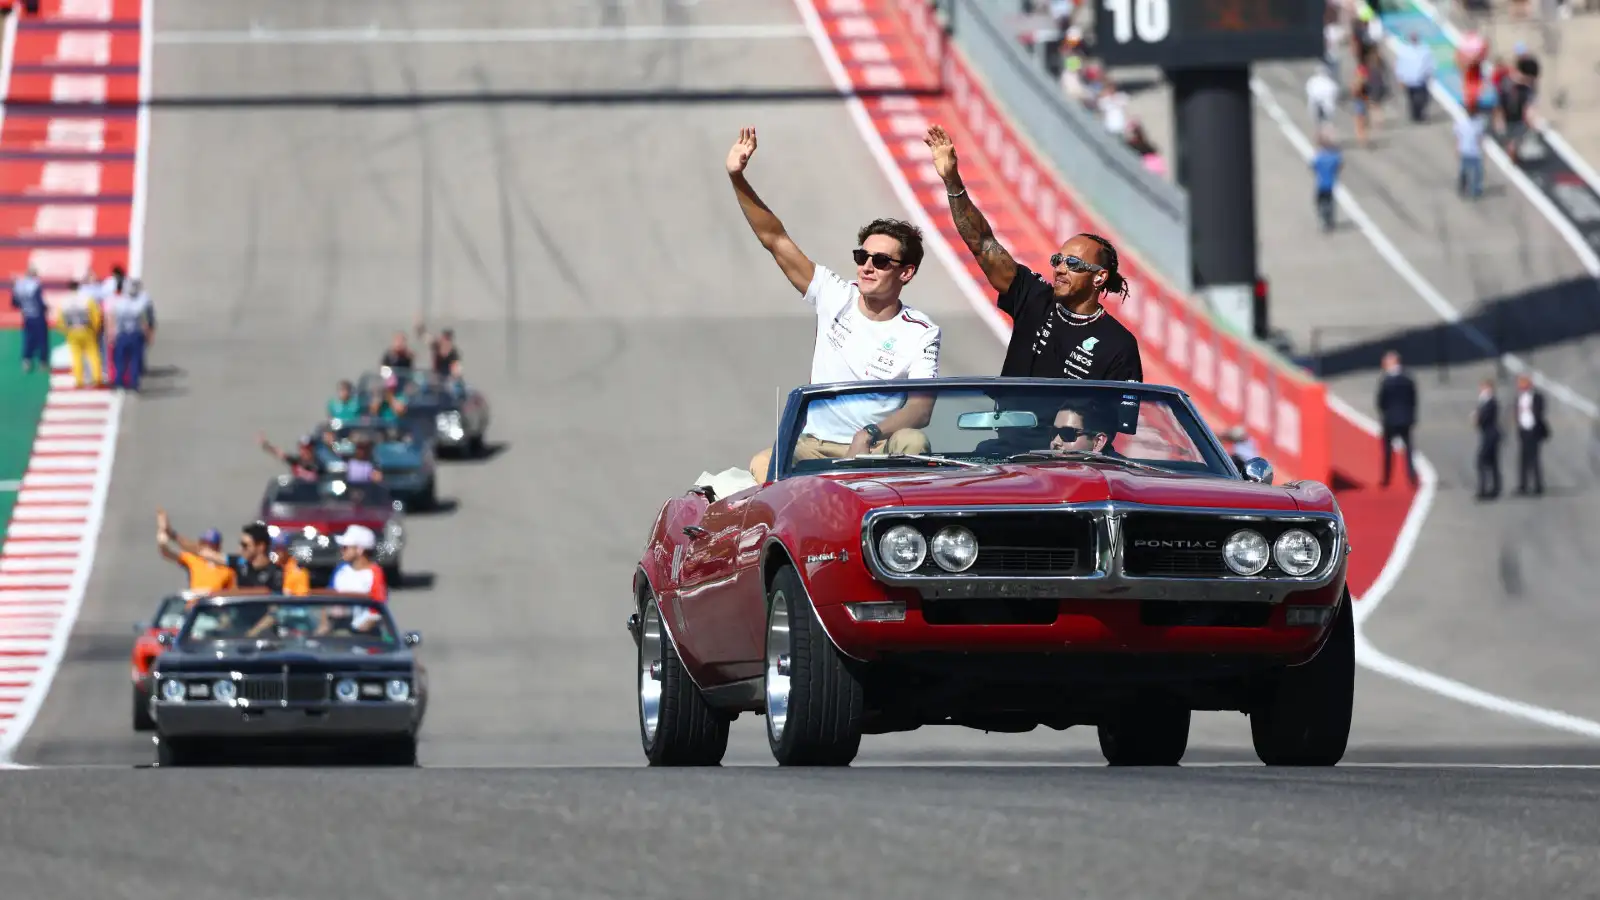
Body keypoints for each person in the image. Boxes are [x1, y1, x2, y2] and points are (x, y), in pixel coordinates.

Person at [727, 126, 942, 481]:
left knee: (913, 441)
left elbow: (921, 408)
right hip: (814, 443)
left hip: (875, 445)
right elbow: (775, 239)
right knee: (762, 465)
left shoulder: (921, 332)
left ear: (906, 273)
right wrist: (737, 178)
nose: (867, 266)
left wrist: (870, 434)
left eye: (882, 261)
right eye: (862, 256)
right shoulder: (834, 294)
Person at [924, 124, 1141, 383]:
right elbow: (982, 243)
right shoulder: (1034, 297)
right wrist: (952, 180)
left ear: (1099, 277)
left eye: (1072, 263)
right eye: (1057, 260)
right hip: (1008, 424)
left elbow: (1120, 421)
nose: (1060, 268)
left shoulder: (1119, 345)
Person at [159, 516, 284, 590]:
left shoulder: (276, 572)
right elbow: (202, 552)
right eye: (240, 544)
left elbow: (274, 609)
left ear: (260, 547)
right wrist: (172, 535)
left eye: (245, 545)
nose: (240, 549)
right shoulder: (240, 563)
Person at [154, 513, 237, 592]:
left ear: (218, 547)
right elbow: (167, 553)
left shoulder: (227, 568)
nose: (206, 547)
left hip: (214, 605)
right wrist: (162, 543)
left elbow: (232, 594)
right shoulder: (194, 559)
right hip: (194, 604)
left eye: (210, 544)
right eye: (203, 543)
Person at [1375, 350, 1419, 487]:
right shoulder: (1408, 379)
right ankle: (1411, 475)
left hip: (1390, 419)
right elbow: (1413, 399)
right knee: (1408, 449)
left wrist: (1384, 414)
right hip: (1405, 418)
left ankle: (1387, 478)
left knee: (1388, 450)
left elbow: (1381, 401)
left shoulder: (1386, 381)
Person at [104, 279, 152, 391]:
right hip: (135, 334)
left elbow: (112, 319)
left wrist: (111, 334)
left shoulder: (119, 304)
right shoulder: (139, 305)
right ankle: (134, 382)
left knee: (119, 360)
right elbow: (144, 321)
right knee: (134, 359)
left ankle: (118, 381)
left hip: (122, 334)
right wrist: (147, 334)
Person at [56, 278, 103, 388]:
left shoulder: (64, 301)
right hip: (86, 329)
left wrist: (66, 331)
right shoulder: (87, 299)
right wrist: (95, 329)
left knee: (76, 357)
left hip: (72, 331)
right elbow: (95, 315)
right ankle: (97, 378)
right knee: (93, 355)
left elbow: (60, 320)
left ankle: (79, 380)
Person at [329, 525, 389, 601]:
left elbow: (379, 603)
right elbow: (329, 599)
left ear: (359, 550)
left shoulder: (375, 573)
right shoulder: (340, 570)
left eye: (345, 547)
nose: (342, 550)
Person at [1514, 374, 1548, 495]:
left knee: (1534, 459)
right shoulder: (1519, 398)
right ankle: (1523, 486)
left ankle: (1538, 486)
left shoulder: (1537, 397)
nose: (1520, 387)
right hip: (1523, 431)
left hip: (1534, 431)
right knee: (1523, 459)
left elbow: (1540, 413)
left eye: (1523, 384)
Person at [1393, 31, 1435, 122]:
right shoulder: (1404, 50)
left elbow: (1430, 63)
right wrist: (1400, 78)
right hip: (1409, 80)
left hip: (1421, 79)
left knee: (1423, 98)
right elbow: (1400, 65)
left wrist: (1430, 74)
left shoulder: (1424, 49)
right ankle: (1415, 115)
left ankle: (1419, 113)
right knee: (1412, 99)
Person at [11, 266, 47, 373]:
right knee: (42, 340)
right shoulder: (35, 285)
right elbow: (39, 302)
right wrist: (45, 308)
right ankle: (42, 362)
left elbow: (14, 303)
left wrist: (24, 307)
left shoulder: (19, 285)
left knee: (28, 339)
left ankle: (26, 360)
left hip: (27, 316)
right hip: (37, 316)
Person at [1471, 378, 1502, 499]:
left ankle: (1484, 489)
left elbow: (1482, 419)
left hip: (1490, 436)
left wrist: (1476, 417)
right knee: (1492, 463)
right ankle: (1494, 488)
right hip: (1489, 435)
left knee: (1481, 462)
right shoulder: (1486, 403)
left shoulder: (1490, 402)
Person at [259, 432, 327, 480]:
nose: (305, 452)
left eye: (308, 449)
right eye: (302, 449)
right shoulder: (295, 461)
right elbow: (280, 453)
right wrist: (266, 445)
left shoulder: (319, 466)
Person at [1312, 130, 1342, 231]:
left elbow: (1313, 166)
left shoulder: (1319, 157)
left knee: (1320, 203)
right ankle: (1330, 221)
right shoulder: (1334, 157)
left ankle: (1324, 221)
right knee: (1330, 203)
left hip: (1321, 185)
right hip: (1330, 184)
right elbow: (1339, 166)